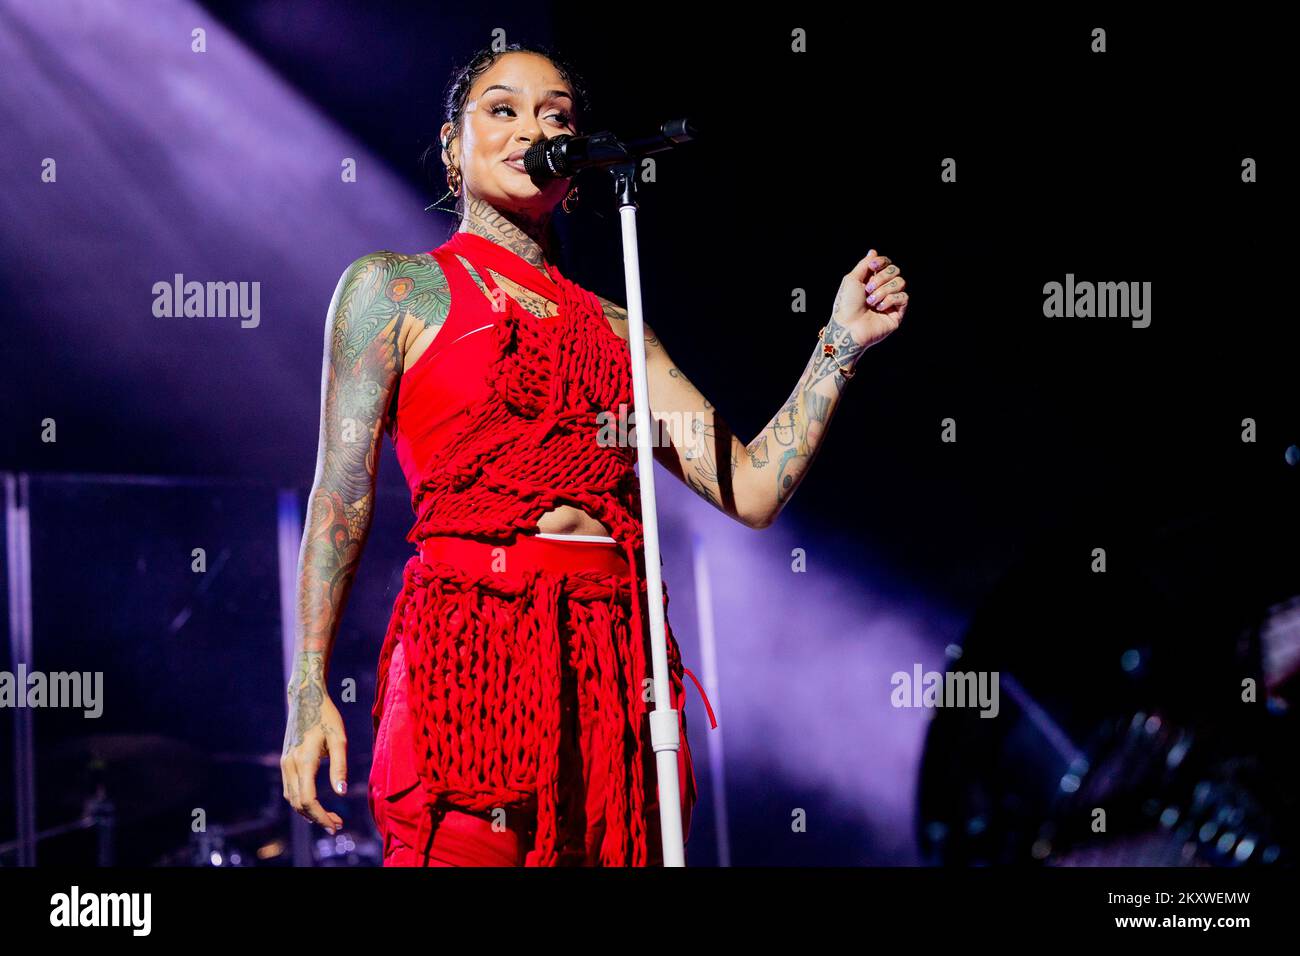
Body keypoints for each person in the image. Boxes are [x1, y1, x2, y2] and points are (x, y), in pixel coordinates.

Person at [280, 42, 910, 866]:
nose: (531, 130)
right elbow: (341, 489)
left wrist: (838, 346)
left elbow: (751, 487)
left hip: (614, 667)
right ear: (450, 146)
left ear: (576, 163)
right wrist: (308, 680)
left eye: (557, 117)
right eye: (501, 109)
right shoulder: (393, 289)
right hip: (472, 650)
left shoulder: (619, 328)